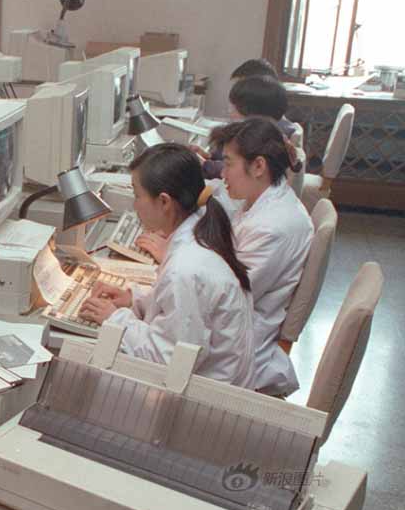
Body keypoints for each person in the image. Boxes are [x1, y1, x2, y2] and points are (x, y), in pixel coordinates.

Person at [79, 143, 256, 387]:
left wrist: (115, 318)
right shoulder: (199, 230)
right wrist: (134, 299)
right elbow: (182, 314)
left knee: (85, 376)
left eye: (137, 195)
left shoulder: (185, 268)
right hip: (209, 380)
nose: (134, 205)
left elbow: (168, 359)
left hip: (202, 401)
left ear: (164, 201)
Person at [217, 117, 312, 396]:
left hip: (235, 347)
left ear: (258, 166)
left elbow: (225, 297)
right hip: (237, 324)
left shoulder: (272, 226)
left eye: (228, 164)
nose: (223, 174)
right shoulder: (264, 203)